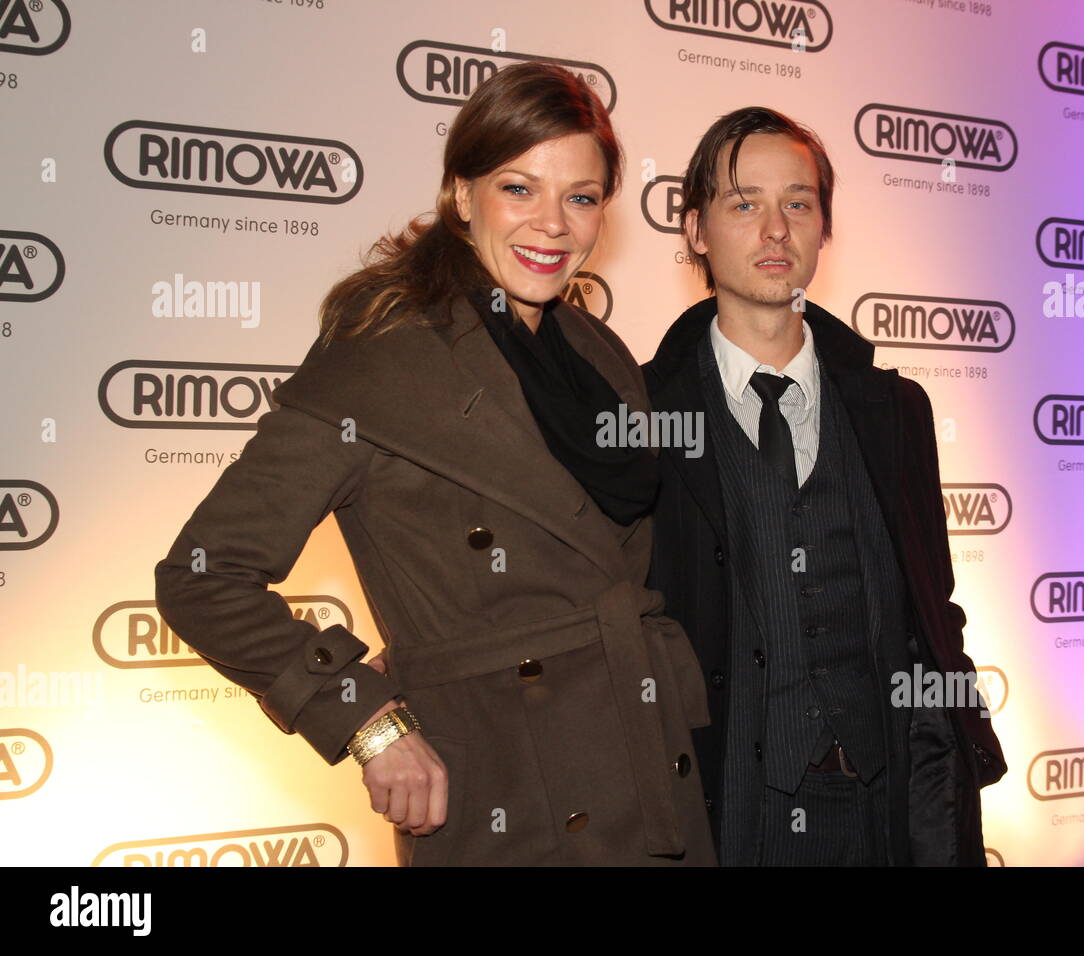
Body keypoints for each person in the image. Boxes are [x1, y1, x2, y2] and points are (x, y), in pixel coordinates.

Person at [154, 62, 715, 867]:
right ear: (462, 194)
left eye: (581, 197)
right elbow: (201, 577)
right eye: (520, 189)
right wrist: (368, 720)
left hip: (651, 770)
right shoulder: (384, 359)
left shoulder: (594, 352)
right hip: (508, 796)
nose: (553, 224)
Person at [642, 107, 1007, 866]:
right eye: (744, 203)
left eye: (798, 203)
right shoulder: (643, 416)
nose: (775, 229)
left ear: (823, 227)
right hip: (726, 815)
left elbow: (932, 615)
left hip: (876, 811)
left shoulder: (894, 410)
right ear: (696, 230)